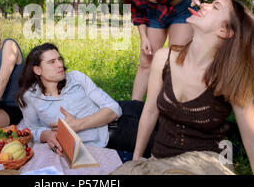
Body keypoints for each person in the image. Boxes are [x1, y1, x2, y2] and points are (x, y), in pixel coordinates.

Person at [124, 0, 254, 175]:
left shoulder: (229, 77)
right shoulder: (163, 58)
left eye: (215, 7)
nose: (204, 4)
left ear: (224, 31)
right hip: (159, 162)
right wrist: (136, 160)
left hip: (206, 165)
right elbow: (149, 112)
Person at [114, 0, 217, 101]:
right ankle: (133, 109)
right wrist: (144, 38)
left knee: (173, 62)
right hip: (155, 14)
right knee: (146, 61)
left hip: (180, 11)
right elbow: (137, 11)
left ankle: (168, 107)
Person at [16, 43, 156, 159]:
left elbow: (114, 108)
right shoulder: (29, 97)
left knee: (166, 115)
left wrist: (77, 125)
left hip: (125, 108)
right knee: (168, 146)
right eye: (52, 62)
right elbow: (30, 129)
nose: (59, 65)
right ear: (37, 70)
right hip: (116, 132)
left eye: (59, 59)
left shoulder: (76, 77)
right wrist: (47, 135)